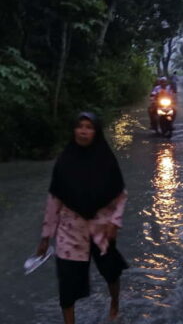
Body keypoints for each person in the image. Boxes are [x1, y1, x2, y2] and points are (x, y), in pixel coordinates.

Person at [37, 112, 129, 323]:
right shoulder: (64, 162)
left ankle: (114, 306)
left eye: (89, 127)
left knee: (112, 272)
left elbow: (120, 195)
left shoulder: (106, 160)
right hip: (70, 232)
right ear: (74, 130)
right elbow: (54, 201)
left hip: (101, 229)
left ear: (96, 132)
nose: (84, 131)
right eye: (80, 126)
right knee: (67, 285)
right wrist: (45, 237)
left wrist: (115, 222)